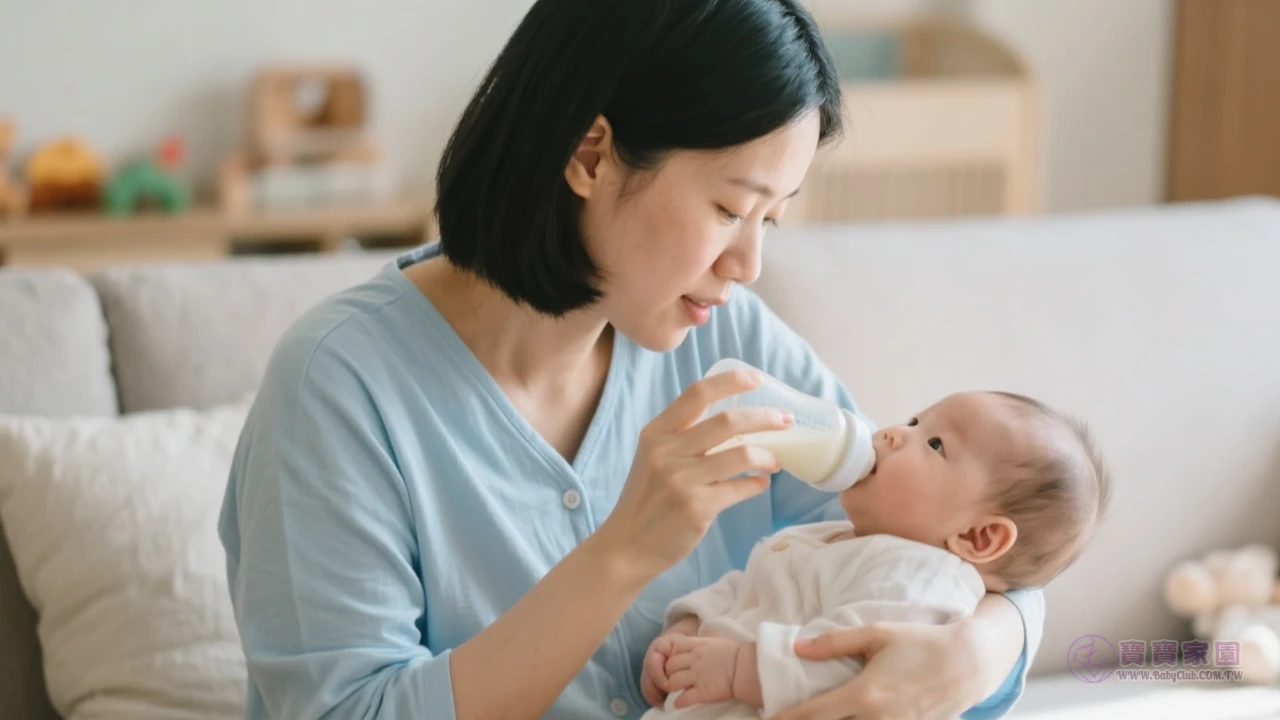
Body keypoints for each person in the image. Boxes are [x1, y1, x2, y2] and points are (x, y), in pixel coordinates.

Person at [217, 1, 1046, 718]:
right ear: (590, 156)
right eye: (730, 208)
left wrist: (982, 650)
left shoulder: (728, 338)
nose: (747, 263)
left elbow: (955, 531)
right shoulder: (341, 388)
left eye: (773, 219)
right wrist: (622, 554)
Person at [639, 391, 1111, 719]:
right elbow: (746, 588)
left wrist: (739, 667)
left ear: (980, 538)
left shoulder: (924, 581)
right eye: (914, 421)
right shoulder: (833, 536)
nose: (889, 433)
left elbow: (857, 672)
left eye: (935, 444)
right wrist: (690, 626)